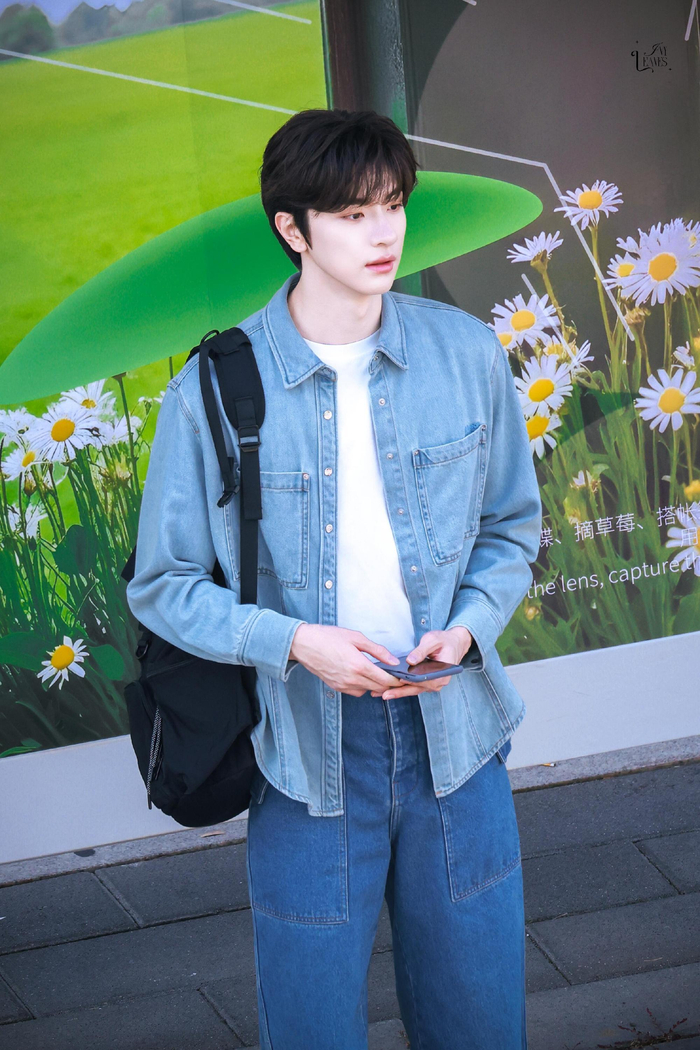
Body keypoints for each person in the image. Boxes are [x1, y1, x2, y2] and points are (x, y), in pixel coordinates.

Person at [126, 108, 542, 1049]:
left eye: (392, 205)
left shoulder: (465, 354)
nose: (383, 232)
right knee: (312, 1028)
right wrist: (297, 644)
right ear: (293, 229)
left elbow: (512, 528)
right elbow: (164, 583)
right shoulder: (213, 390)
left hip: (456, 737)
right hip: (304, 755)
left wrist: (469, 626)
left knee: (481, 1025)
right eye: (352, 214)